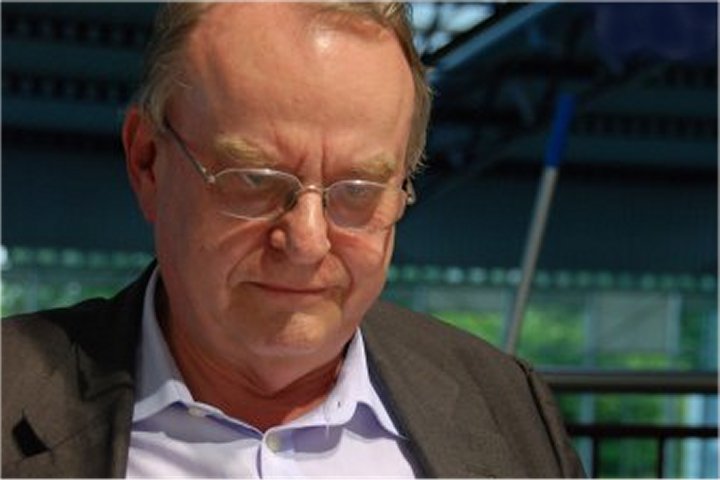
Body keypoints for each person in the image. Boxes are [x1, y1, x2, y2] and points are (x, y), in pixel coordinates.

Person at [2, 3, 585, 477]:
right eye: (254, 180)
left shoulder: (505, 404)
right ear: (148, 162)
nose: (307, 241)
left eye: (358, 190)